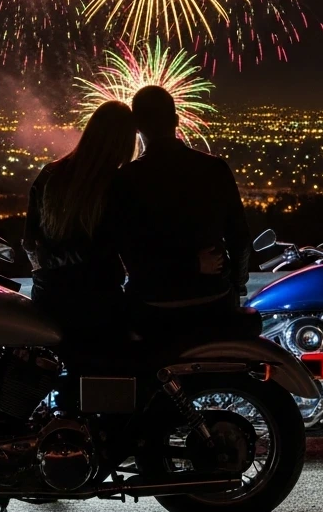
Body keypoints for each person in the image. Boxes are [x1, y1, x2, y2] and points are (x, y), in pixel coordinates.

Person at [108, 85, 253, 339]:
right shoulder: (215, 169)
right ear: (176, 120)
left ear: (137, 125)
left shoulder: (125, 180)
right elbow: (240, 240)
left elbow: (129, 257)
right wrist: (235, 290)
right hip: (213, 302)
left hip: (152, 308)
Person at [22, 100, 136, 335]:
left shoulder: (50, 173)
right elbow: (118, 245)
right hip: (99, 305)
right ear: (125, 142)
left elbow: (29, 242)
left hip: (48, 299)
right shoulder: (116, 185)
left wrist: (46, 269)